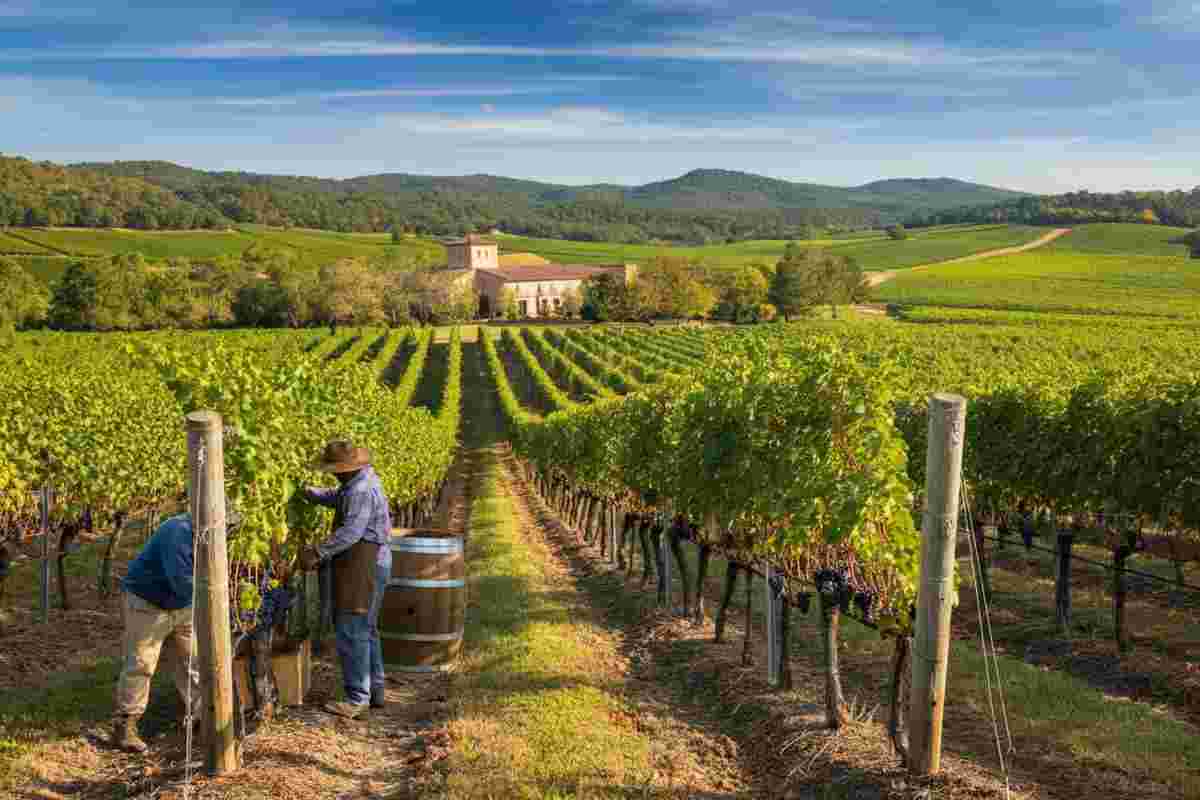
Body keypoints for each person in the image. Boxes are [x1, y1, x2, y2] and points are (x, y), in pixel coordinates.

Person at [112, 505, 243, 754]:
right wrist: (219, 607)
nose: (227, 534)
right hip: (148, 602)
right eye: (226, 528)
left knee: (193, 660)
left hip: (182, 605)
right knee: (141, 662)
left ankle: (203, 718)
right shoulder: (178, 532)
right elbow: (182, 582)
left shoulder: (206, 535)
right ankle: (125, 725)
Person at [299, 439, 392, 719]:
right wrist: (312, 495)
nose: (333, 474)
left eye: (335, 470)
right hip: (370, 564)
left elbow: (351, 532)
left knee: (352, 629)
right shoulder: (358, 483)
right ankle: (374, 691)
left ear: (345, 469)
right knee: (367, 629)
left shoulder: (361, 490)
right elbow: (338, 497)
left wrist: (317, 551)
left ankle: (356, 699)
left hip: (364, 567)